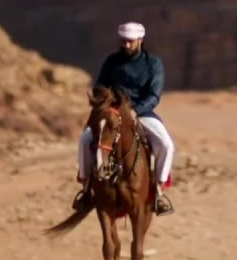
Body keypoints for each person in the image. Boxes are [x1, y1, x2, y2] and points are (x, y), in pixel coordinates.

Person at [73, 21, 176, 217]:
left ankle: (159, 192)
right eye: (123, 41)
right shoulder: (112, 61)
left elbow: (154, 95)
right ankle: (86, 189)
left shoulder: (153, 64)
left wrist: (136, 110)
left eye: (131, 41)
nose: (127, 45)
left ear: (140, 40)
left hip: (141, 113)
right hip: (113, 112)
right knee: (85, 139)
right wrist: (106, 103)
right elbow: (99, 87)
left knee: (166, 144)